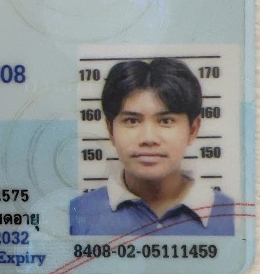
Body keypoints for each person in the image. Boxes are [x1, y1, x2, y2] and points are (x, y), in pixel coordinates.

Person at [69, 57, 235, 237]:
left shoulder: (232, 215)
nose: (148, 138)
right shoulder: (77, 215)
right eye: (132, 121)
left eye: (166, 121)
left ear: (193, 130)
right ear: (111, 131)